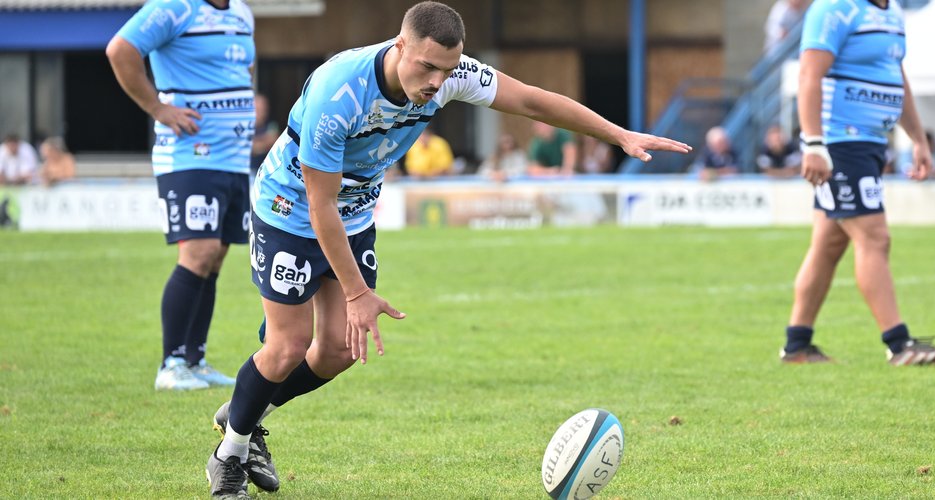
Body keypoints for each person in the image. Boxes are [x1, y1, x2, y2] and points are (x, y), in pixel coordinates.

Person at [203, 3, 690, 498]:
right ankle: (231, 453)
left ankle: (245, 410)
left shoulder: (453, 76)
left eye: (448, 69)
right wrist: (355, 294)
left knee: (335, 352)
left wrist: (620, 134)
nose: (437, 81)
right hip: (290, 207)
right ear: (400, 46)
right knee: (286, 345)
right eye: (427, 66)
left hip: (352, 215)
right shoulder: (339, 92)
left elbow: (533, 102)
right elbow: (319, 201)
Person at [782, 0, 935, 366]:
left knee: (828, 244)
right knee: (874, 237)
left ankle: (797, 345)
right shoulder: (834, 8)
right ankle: (900, 345)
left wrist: (919, 139)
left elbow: (895, 76)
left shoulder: (892, 12)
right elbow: (808, 76)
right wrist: (814, 144)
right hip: (839, 142)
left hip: (870, 144)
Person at [107, 0, 254, 391]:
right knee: (198, 253)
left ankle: (194, 359)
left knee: (216, 258)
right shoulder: (175, 7)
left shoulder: (241, 11)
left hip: (235, 158)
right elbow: (120, 50)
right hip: (190, 155)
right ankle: (170, 364)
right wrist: (157, 108)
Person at [250, 93, 279, 180]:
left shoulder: (272, 125)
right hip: (250, 172)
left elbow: (273, 141)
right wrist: (263, 141)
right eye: (257, 109)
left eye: (263, 109)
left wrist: (254, 142)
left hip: (267, 174)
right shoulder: (246, 127)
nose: (261, 112)